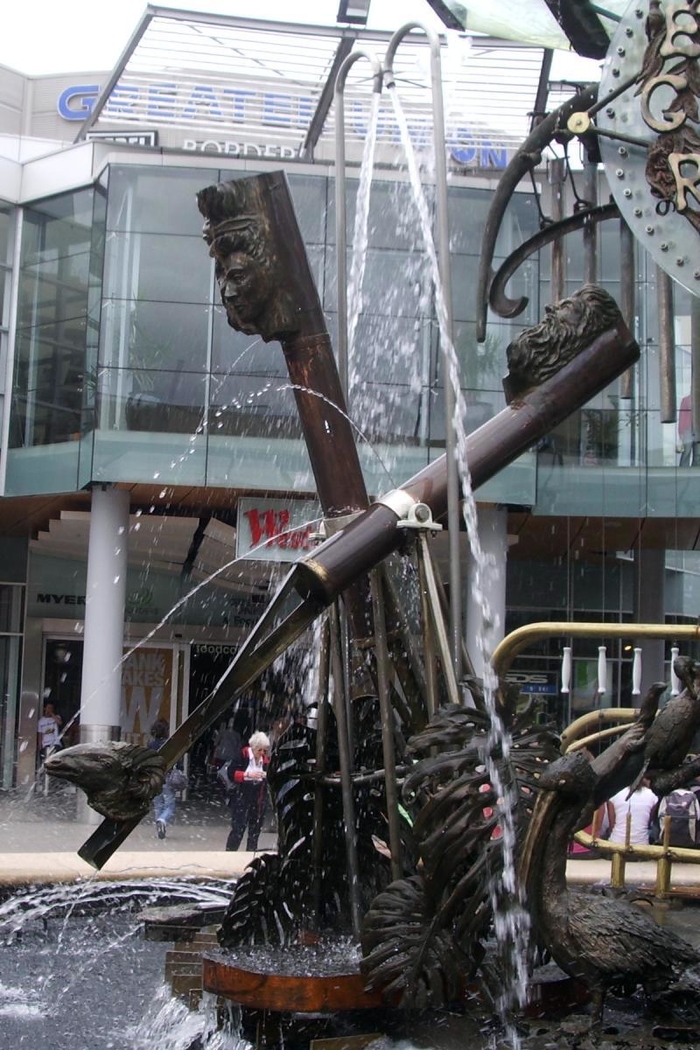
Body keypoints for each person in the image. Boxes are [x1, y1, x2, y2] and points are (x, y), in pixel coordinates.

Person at [225, 731, 270, 852]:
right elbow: (231, 773)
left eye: (264, 751)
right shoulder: (243, 755)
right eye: (259, 750)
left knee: (254, 831)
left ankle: (250, 855)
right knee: (238, 829)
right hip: (242, 796)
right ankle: (230, 854)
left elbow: (271, 777)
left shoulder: (265, 761)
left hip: (258, 799)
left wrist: (266, 775)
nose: (262, 753)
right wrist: (247, 775)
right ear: (253, 747)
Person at [147, 717, 176, 840]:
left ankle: (159, 827)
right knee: (170, 805)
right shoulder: (169, 744)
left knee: (158, 805)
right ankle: (162, 820)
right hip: (166, 777)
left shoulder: (151, 744)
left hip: (154, 778)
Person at [606, 779, 658, 847]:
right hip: (641, 844)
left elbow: (612, 825)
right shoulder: (652, 795)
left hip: (616, 842)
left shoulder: (614, 793)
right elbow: (648, 823)